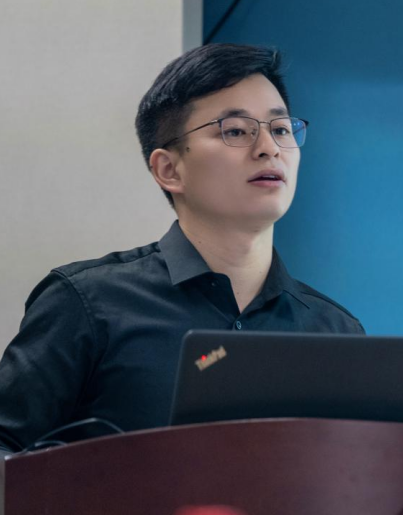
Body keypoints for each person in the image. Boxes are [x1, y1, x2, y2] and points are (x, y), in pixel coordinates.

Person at [0, 43, 365, 459]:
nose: (269, 147)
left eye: (280, 129)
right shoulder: (86, 304)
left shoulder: (335, 331)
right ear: (169, 169)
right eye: (235, 130)